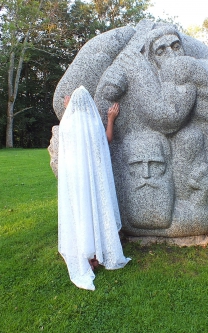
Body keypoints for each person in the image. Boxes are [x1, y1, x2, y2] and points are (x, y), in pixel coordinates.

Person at [58, 86, 130, 291]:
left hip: (75, 178)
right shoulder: (91, 123)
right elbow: (106, 139)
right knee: (94, 209)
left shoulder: (67, 123)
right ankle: (97, 252)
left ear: (71, 105)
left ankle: (85, 254)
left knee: (80, 213)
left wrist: (66, 110)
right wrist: (110, 118)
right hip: (91, 176)